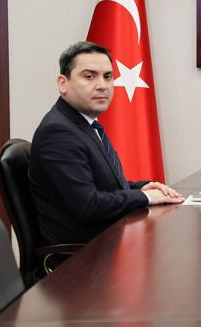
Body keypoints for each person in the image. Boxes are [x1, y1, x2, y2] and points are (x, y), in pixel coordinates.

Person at [29, 41, 184, 246]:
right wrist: (144, 197)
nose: (102, 85)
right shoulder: (58, 132)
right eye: (89, 76)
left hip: (106, 243)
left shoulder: (83, 124)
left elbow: (101, 184)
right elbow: (88, 205)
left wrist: (141, 187)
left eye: (108, 77)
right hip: (82, 256)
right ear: (63, 84)